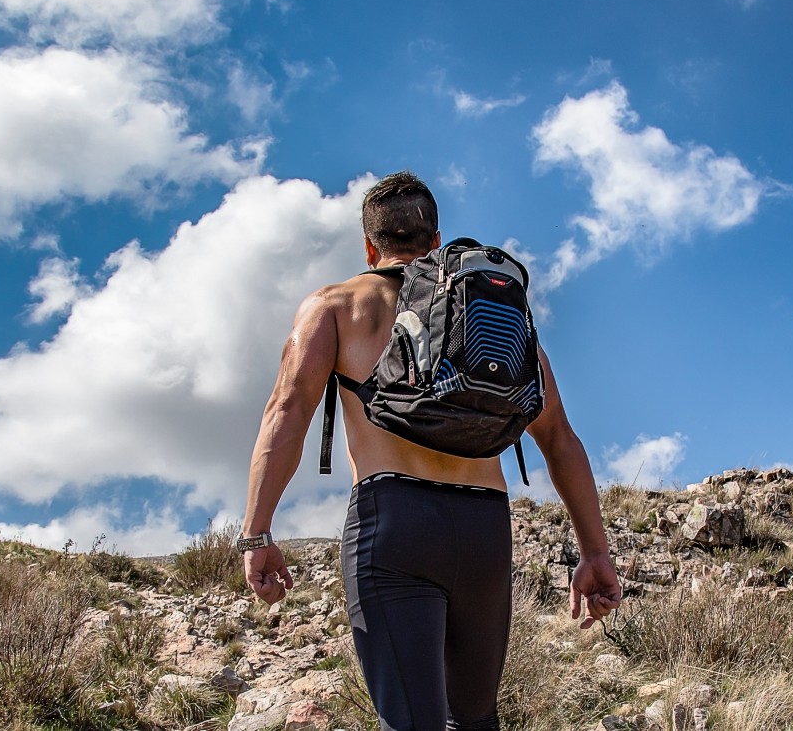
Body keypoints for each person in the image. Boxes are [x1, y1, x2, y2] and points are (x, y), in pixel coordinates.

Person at [241, 171, 621, 731]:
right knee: (476, 722)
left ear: (370, 247)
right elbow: (560, 440)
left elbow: (286, 411)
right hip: (485, 529)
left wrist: (257, 532)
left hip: (394, 525)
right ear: (437, 244)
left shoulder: (337, 305)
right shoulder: (493, 318)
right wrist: (594, 551)